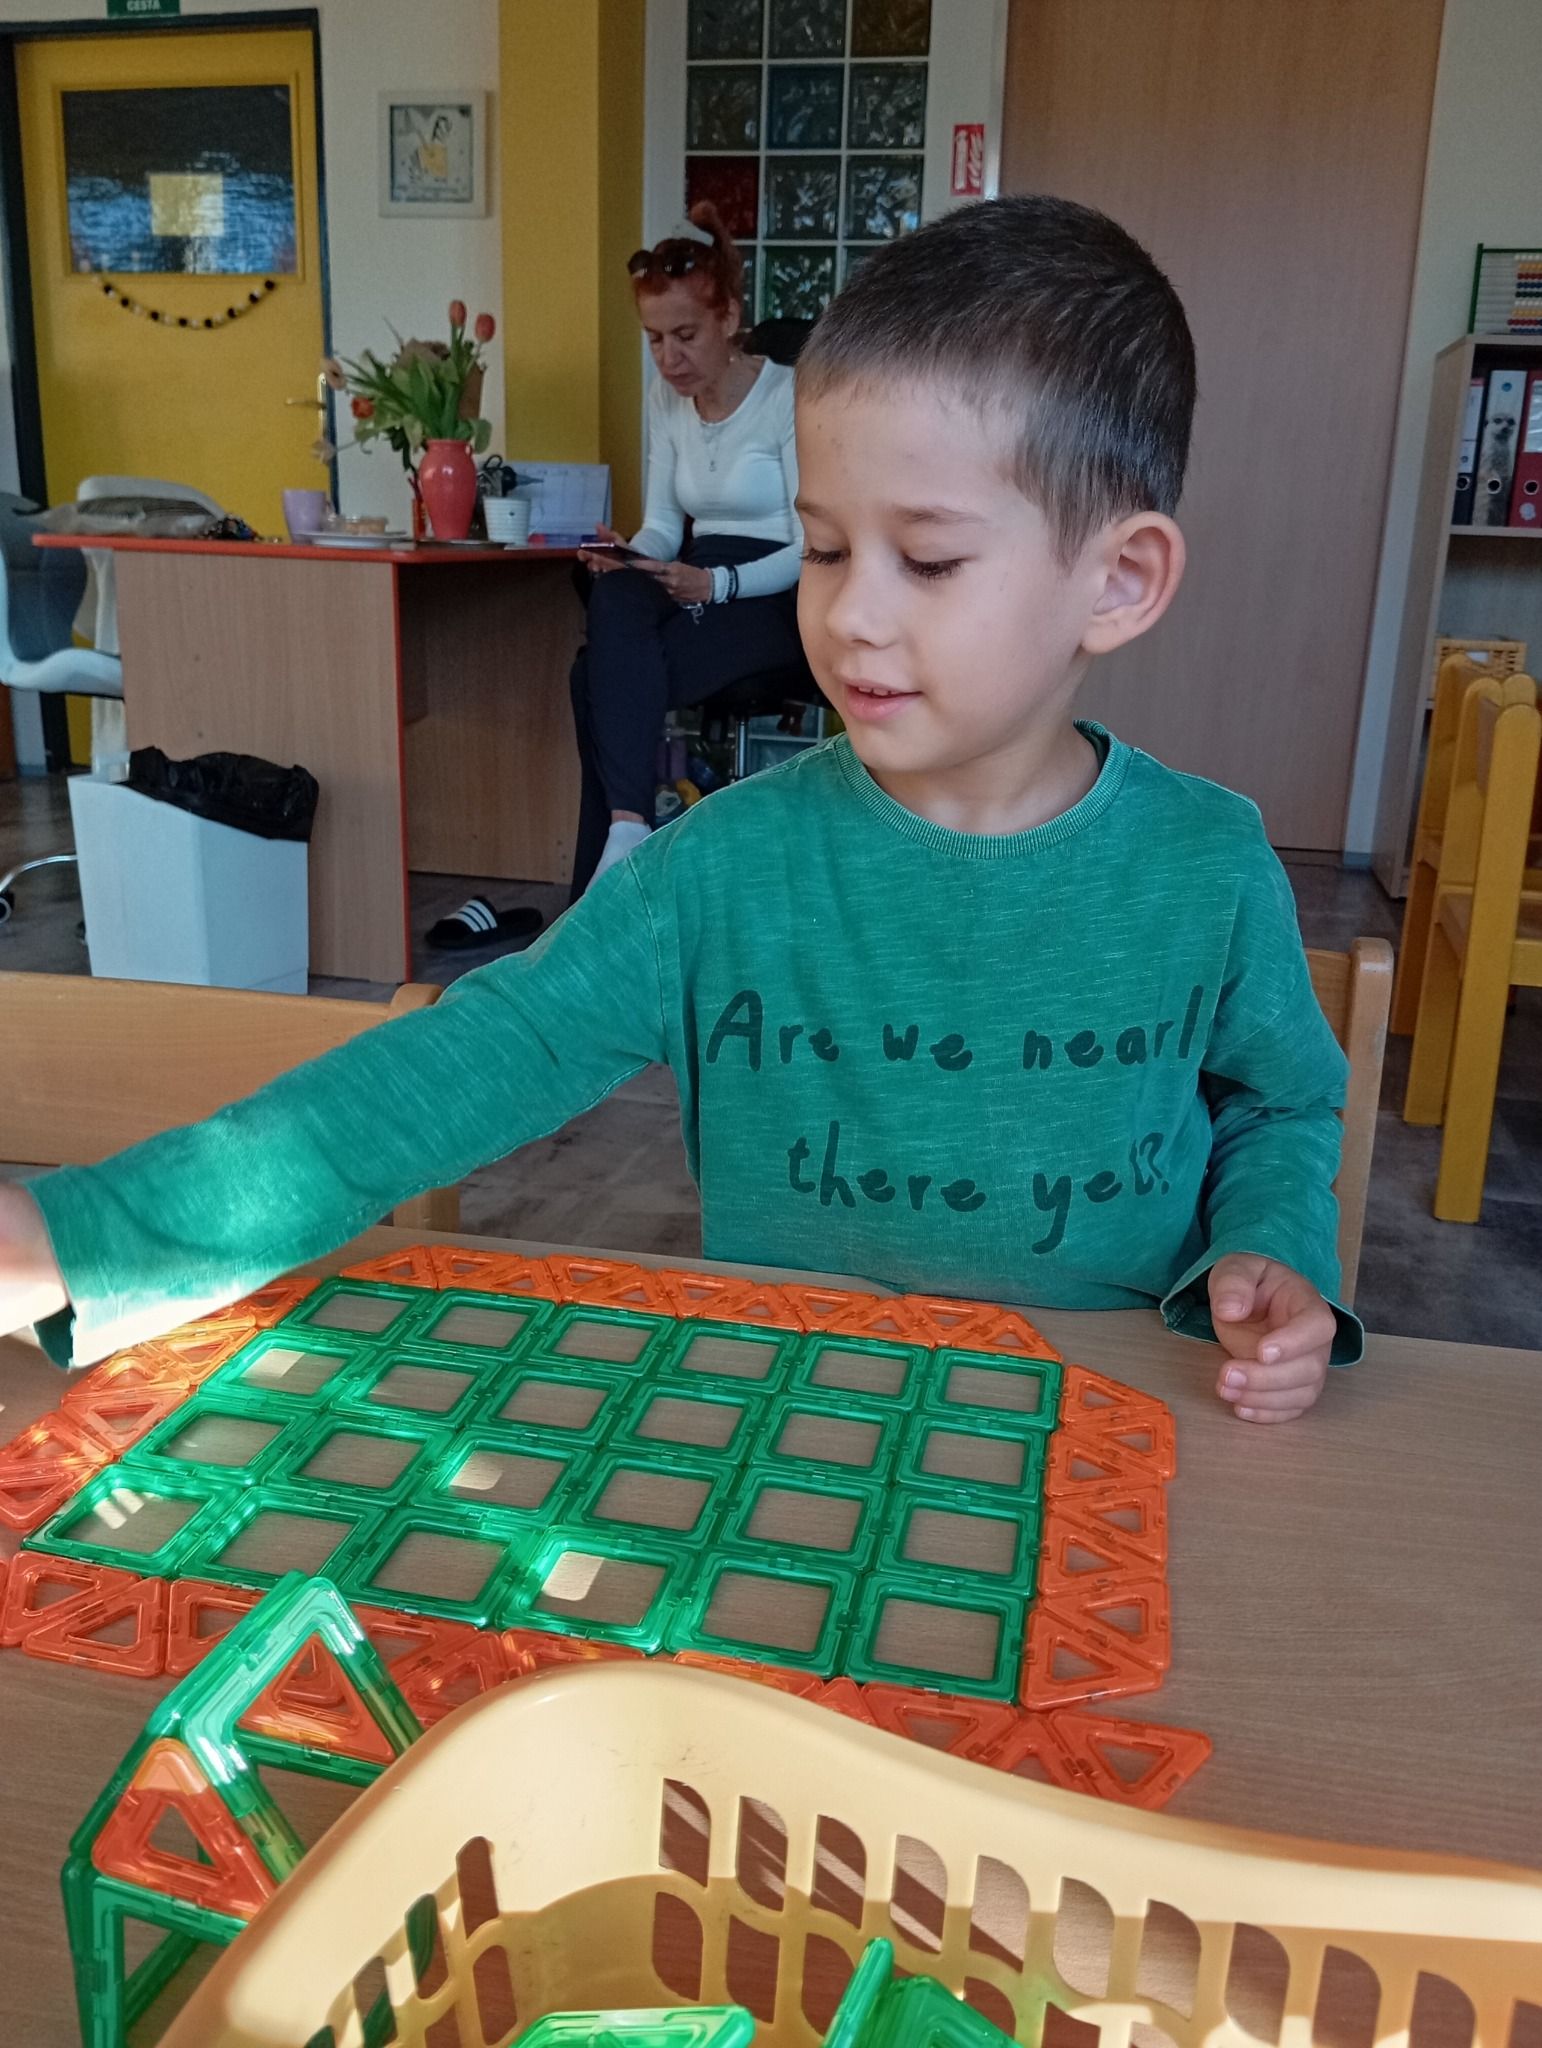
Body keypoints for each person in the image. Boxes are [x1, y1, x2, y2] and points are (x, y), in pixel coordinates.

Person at [0, 195, 1359, 1421]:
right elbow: (452, 1068)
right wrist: (80, 1239)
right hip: (788, 1422)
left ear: (1118, 581)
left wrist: (1269, 1247)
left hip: (1115, 1427)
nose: (849, 613)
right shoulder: (724, 868)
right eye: (823, 547)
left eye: (929, 560)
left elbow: (1281, 1107)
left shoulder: (1208, 861)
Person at [570, 202, 805, 895]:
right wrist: (628, 554)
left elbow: (816, 542)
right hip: (696, 571)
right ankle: (629, 829)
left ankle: (606, 876)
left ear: (728, 317)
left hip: (777, 587)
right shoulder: (665, 399)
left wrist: (719, 585)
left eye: (684, 336)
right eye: (653, 340)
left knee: (593, 680)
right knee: (616, 593)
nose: (668, 359)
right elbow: (664, 528)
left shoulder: (789, 396)